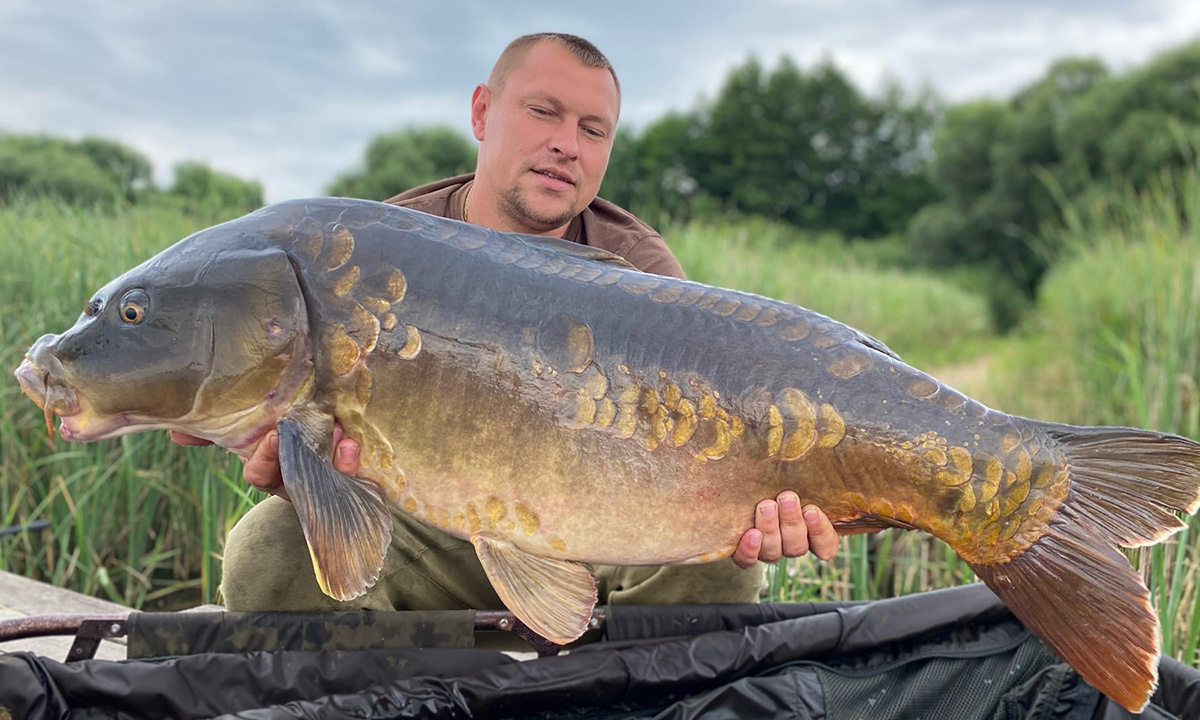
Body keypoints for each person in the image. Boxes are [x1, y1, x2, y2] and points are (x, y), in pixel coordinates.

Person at [174, 33, 839, 615]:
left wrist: (764, 507)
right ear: (483, 113)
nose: (564, 145)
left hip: (606, 523)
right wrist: (298, 462)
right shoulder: (378, 248)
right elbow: (251, 407)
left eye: (592, 129)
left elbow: (707, 444)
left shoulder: (640, 269)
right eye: (543, 112)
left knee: (724, 562)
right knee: (266, 551)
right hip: (428, 527)